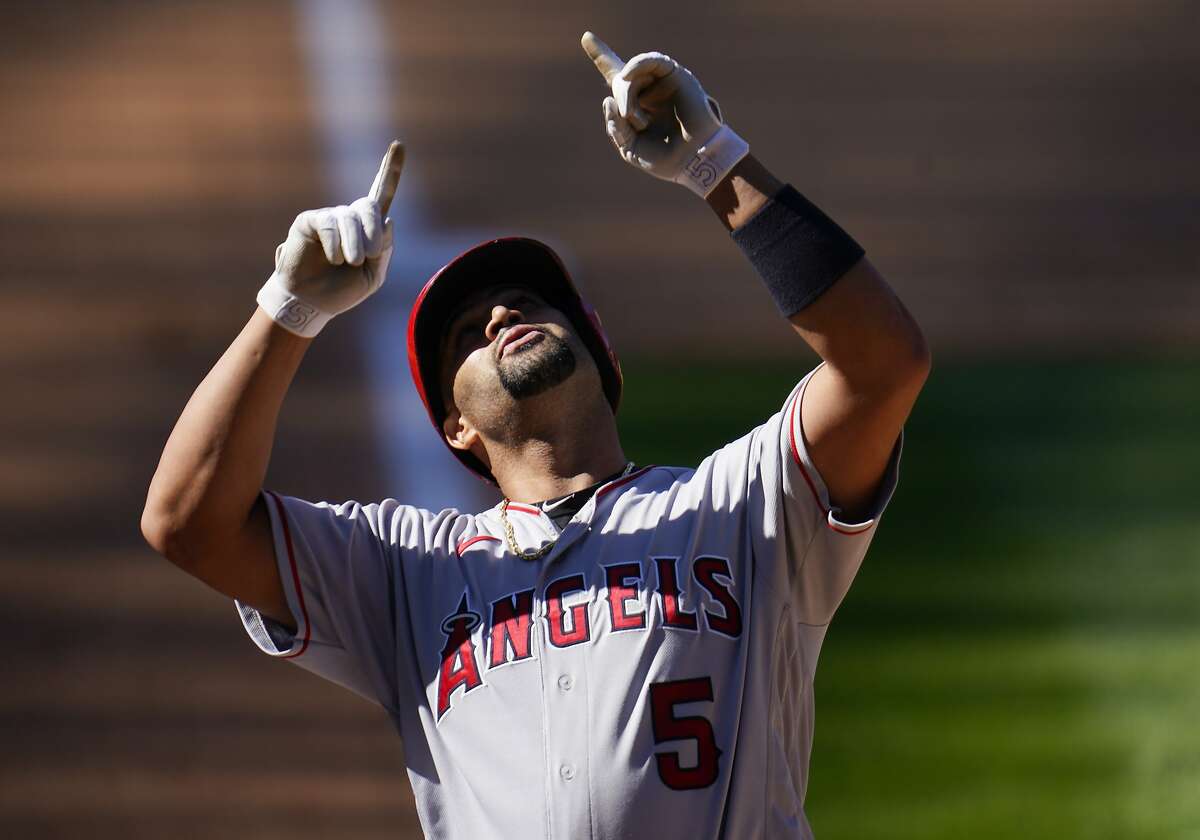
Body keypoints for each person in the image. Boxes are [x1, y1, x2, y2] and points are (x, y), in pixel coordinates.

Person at [141, 32, 929, 839]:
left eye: (529, 301)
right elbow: (186, 521)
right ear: (455, 426)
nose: (499, 316)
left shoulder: (737, 510)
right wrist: (288, 308)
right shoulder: (405, 574)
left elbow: (882, 365)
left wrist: (712, 161)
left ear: (601, 356)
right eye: (464, 340)